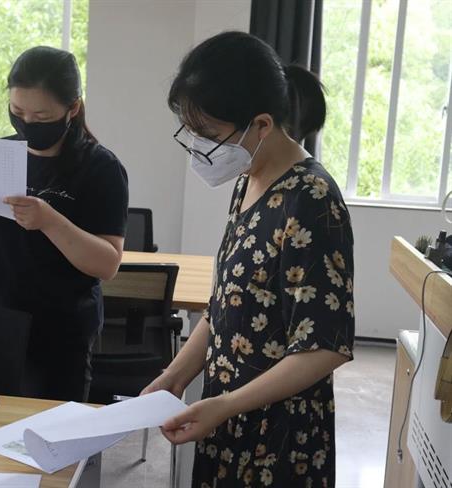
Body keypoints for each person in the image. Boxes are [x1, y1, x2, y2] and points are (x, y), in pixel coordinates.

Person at [142, 31, 355, 487]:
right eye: (192, 133)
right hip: (226, 421)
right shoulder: (248, 179)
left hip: (278, 439)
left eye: (209, 135)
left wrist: (225, 405)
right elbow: (226, 305)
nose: (199, 147)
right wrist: (174, 376)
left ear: (261, 124)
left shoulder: (311, 198)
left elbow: (324, 346)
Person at [0, 46, 129, 402]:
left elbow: (107, 263)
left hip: (59, 330)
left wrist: (49, 220)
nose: (27, 123)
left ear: (72, 108)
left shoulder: (100, 168)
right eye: (17, 111)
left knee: (50, 428)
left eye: (41, 116)